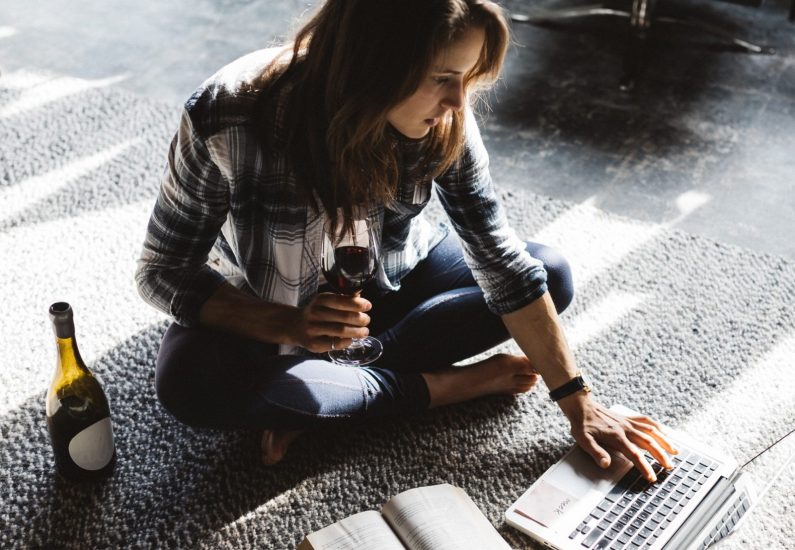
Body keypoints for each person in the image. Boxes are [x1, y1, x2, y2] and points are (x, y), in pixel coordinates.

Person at [136, 0, 676, 478]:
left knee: (549, 273)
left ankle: (327, 393)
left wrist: (578, 401)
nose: (459, 102)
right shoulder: (227, 114)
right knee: (192, 385)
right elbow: (162, 270)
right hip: (262, 309)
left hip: (391, 283)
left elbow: (498, 256)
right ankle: (442, 387)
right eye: (442, 77)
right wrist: (289, 324)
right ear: (371, 64)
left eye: (465, 77)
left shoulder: (442, 120)